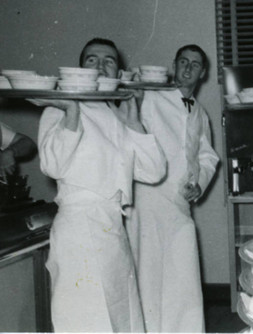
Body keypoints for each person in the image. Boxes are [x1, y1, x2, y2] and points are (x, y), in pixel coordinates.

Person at [28, 38, 167, 332]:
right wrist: (72, 110)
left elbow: (154, 171)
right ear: (81, 69)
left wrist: (134, 123)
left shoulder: (116, 115)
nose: (102, 66)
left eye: (109, 60)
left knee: (121, 318)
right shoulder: (58, 110)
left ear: (118, 72)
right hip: (79, 230)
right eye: (92, 59)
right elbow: (52, 166)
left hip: (113, 231)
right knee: (86, 319)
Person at [126, 44, 219, 332]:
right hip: (147, 201)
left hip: (180, 206)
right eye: (183, 62)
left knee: (183, 278)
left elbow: (207, 156)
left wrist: (199, 183)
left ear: (202, 74)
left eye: (194, 64)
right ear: (174, 65)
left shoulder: (200, 113)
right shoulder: (151, 98)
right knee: (148, 278)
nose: (188, 68)